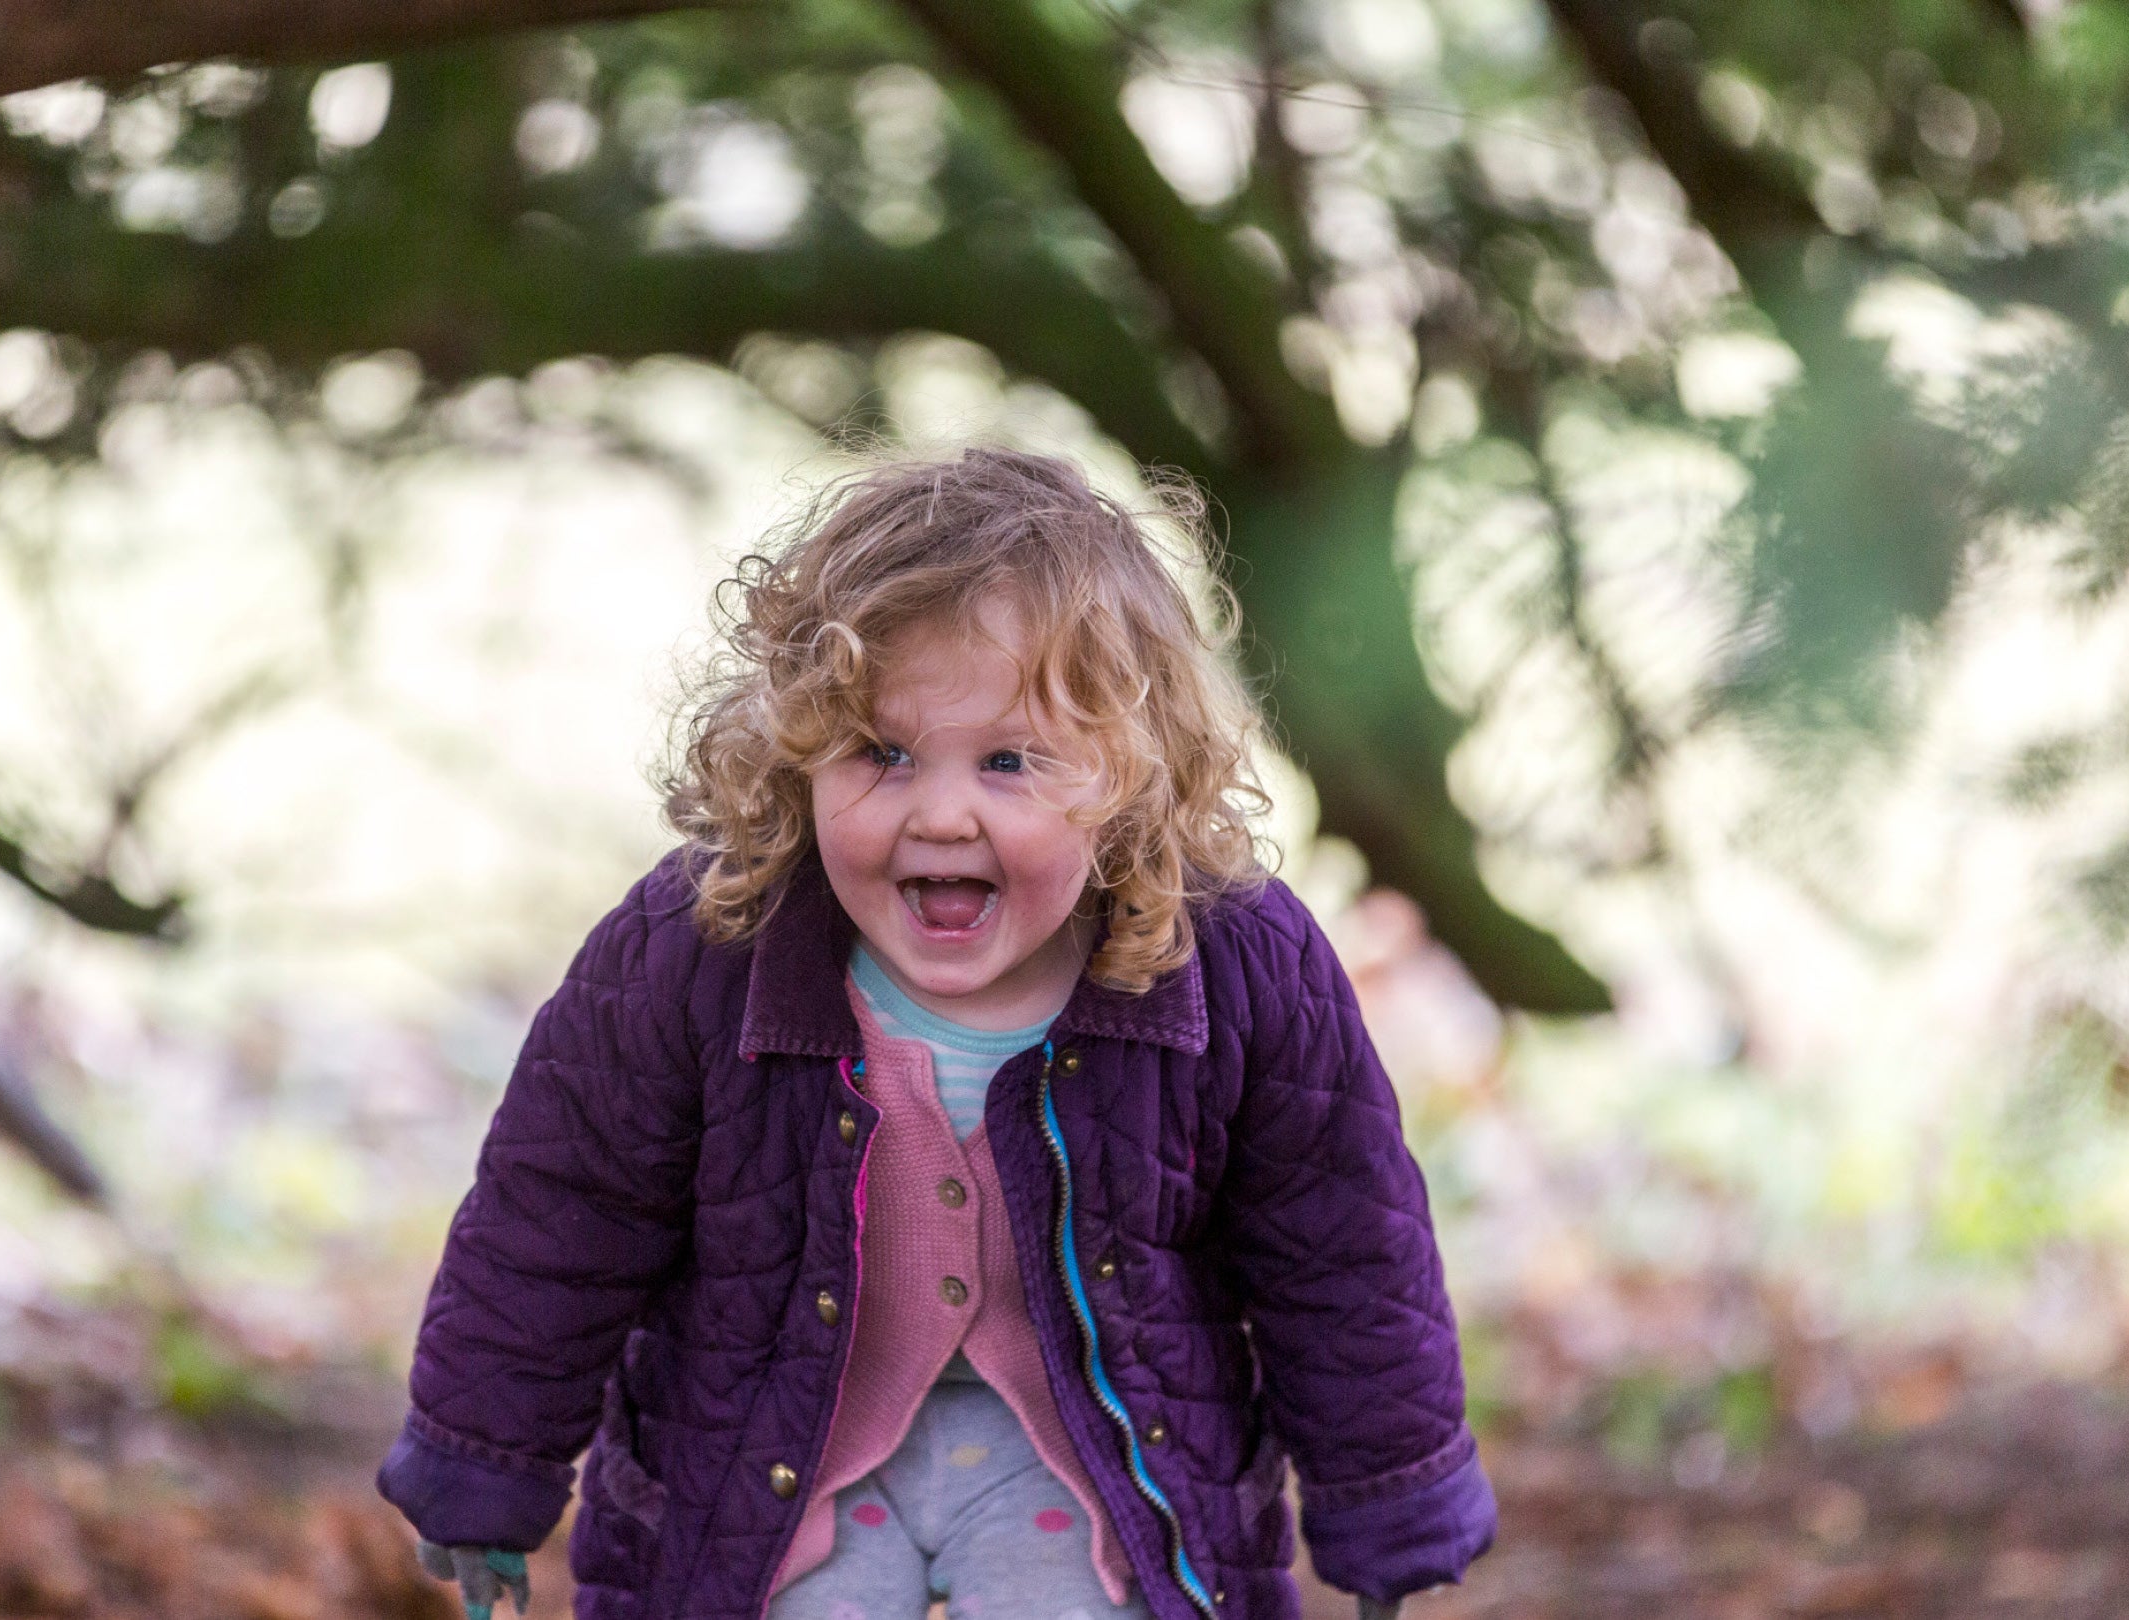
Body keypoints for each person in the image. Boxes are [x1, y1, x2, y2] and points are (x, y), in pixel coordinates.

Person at [377, 448, 1495, 1620]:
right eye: (883, 754)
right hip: (775, 1446)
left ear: (1128, 773)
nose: (942, 811)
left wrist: (1390, 1503)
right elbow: (559, 1214)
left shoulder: (1231, 964)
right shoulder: (702, 944)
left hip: (1084, 1448)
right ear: (797, 750)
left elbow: (1342, 1246)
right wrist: (481, 1472)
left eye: (1010, 762)